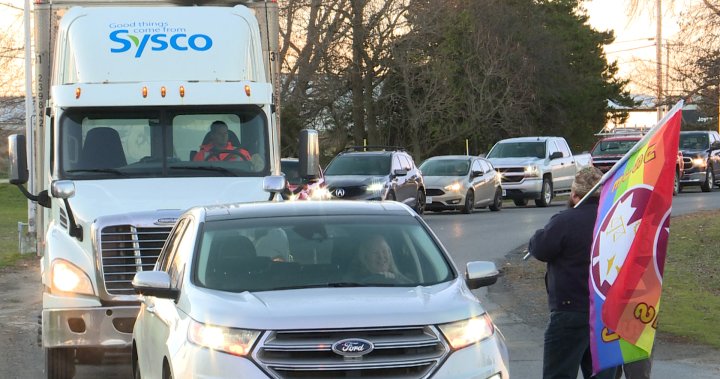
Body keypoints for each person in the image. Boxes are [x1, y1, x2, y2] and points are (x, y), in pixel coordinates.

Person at [528, 166, 617, 379]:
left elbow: (541, 248)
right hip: (608, 312)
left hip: (571, 310)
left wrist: (539, 234)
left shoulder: (566, 221)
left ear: (575, 195)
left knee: (559, 374)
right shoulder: (615, 220)